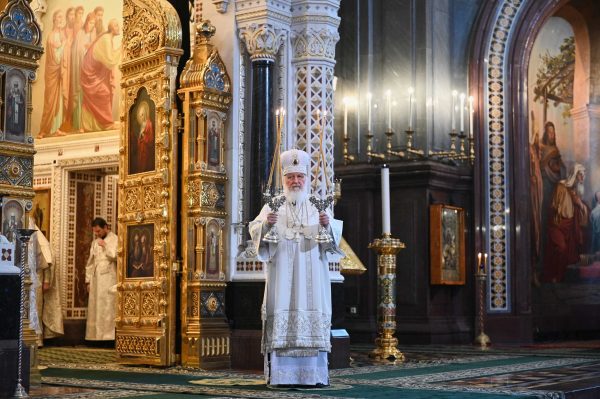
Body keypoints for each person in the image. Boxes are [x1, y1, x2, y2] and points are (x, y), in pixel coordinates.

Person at [249, 148, 343, 387]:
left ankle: (313, 376)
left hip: (312, 274)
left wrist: (326, 226)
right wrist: (267, 226)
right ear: (284, 179)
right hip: (282, 276)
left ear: (306, 179)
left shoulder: (317, 205)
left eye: (300, 176)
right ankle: (281, 376)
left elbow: (333, 241)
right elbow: (256, 232)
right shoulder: (273, 206)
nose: (295, 181)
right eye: (290, 177)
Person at [543, 163, 589, 283]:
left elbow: (581, 212)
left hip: (570, 227)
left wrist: (580, 205)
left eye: (584, 175)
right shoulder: (561, 187)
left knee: (570, 254)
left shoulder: (576, 192)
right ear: (574, 175)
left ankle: (560, 278)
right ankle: (554, 276)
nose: (583, 178)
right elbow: (554, 207)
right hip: (557, 225)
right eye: (581, 175)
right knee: (561, 248)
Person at [80, 18, 120, 132]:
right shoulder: (106, 39)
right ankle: (106, 124)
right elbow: (110, 60)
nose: (119, 28)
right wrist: (121, 48)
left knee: (92, 97)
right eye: (116, 26)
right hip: (90, 71)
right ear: (112, 28)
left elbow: (107, 59)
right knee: (104, 93)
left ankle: (88, 125)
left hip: (95, 69)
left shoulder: (108, 38)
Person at [28, 217, 63, 346]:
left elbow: (48, 262)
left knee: (35, 308)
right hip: (25, 277)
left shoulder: (40, 239)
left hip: (36, 278)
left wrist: (47, 281)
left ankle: (36, 339)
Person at [85, 217, 117, 341]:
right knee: (95, 308)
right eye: (95, 232)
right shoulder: (94, 242)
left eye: (99, 231)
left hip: (109, 279)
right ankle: (95, 337)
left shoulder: (115, 239)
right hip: (96, 280)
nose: (97, 234)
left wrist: (105, 245)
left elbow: (115, 256)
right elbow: (90, 263)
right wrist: (88, 281)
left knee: (107, 307)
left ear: (106, 227)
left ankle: (108, 338)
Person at [38, 9, 67, 138]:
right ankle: (44, 130)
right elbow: (56, 57)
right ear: (54, 20)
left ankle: (56, 128)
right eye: (59, 18)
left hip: (58, 73)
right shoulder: (52, 36)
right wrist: (65, 45)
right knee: (50, 101)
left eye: (62, 18)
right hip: (52, 74)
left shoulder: (60, 35)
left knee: (58, 101)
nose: (61, 20)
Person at [130, 100, 154, 174]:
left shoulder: (149, 124)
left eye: (142, 114)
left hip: (146, 149)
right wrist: (140, 138)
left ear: (146, 114)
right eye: (140, 115)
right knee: (140, 163)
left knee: (146, 163)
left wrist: (144, 137)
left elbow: (150, 138)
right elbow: (139, 138)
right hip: (141, 148)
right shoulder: (142, 125)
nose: (141, 117)